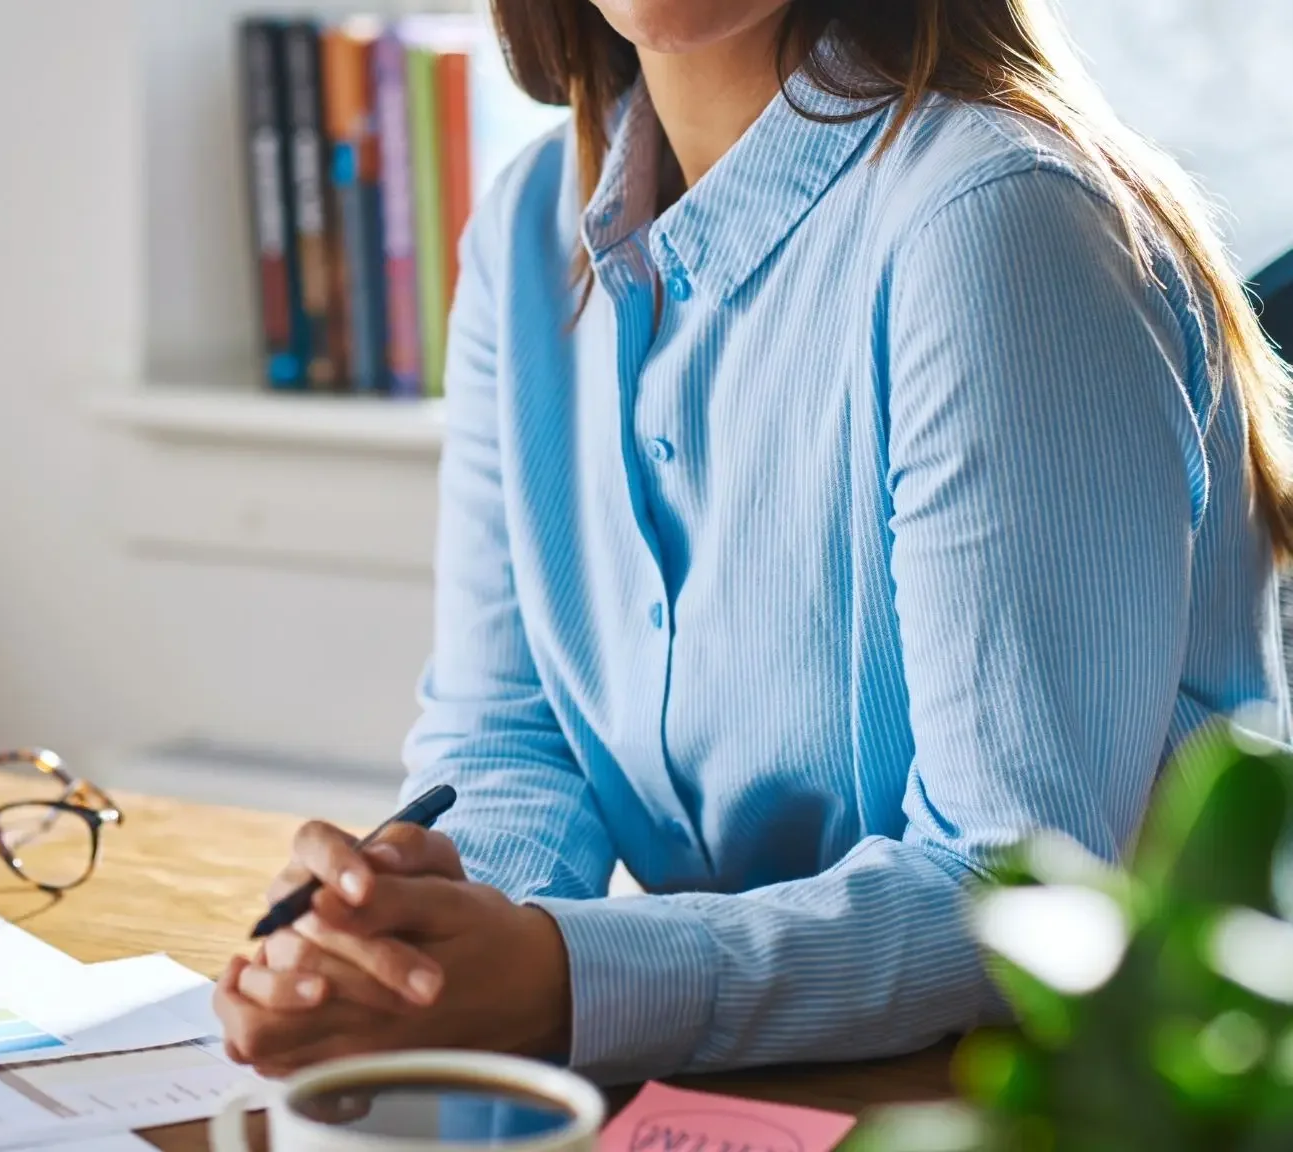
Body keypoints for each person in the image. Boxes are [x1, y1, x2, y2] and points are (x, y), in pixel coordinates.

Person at [213, 0, 1292, 1081]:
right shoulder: (524, 229)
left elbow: (1017, 896)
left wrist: (561, 977)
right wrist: (408, 936)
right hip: (767, 1088)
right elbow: (510, 743)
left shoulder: (995, 219)